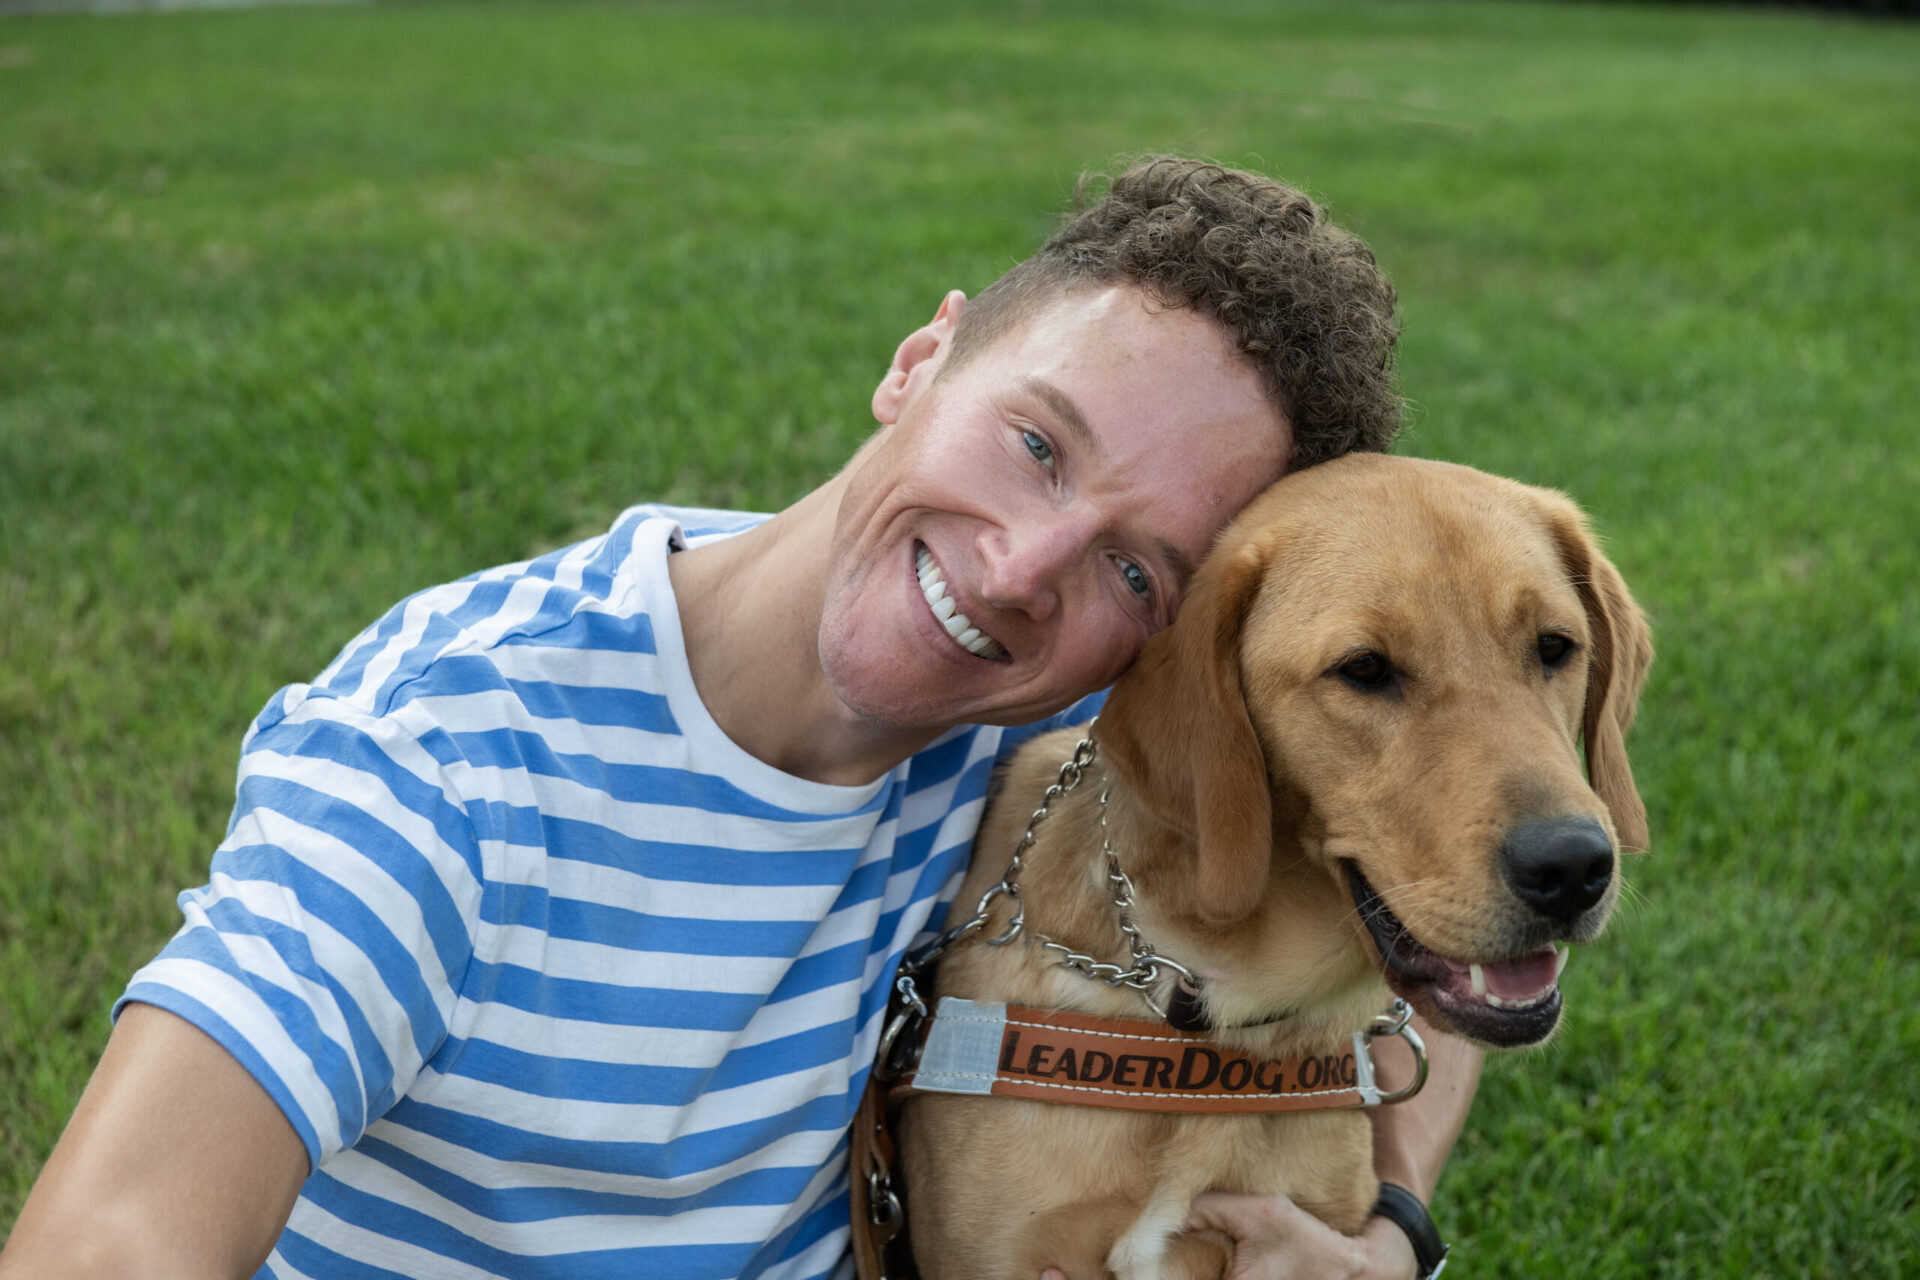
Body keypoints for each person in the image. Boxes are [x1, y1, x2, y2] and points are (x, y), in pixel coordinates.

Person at [0, 157, 1478, 1280]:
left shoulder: (1072, 733)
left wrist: (1393, 1227)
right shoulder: (453, 754)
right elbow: (115, 1234)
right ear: (922, 361)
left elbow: (1468, 873)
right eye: (1035, 442)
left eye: (1132, 560)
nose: (1022, 568)